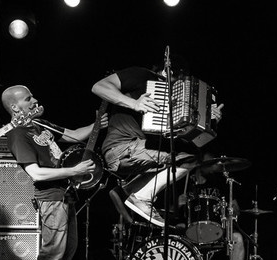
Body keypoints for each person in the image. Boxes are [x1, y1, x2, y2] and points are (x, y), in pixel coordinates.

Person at [92, 61, 223, 228]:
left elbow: (192, 141)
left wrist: (209, 119)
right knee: (187, 159)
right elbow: (99, 87)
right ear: (168, 72)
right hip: (121, 147)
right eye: (178, 81)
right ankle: (142, 198)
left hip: (138, 149)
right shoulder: (141, 74)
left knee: (184, 156)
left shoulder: (171, 103)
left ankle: (125, 191)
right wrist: (134, 103)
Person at [1, 85, 98, 260]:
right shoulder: (17, 133)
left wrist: (98, 123)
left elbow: (73, 136)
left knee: (67, 250)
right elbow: (35, 173)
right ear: (15, 107)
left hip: (64, 195)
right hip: (51, 198)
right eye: (28, 99)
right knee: (52, 252)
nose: (35, 100)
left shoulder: (38, 123)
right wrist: (74, 170)